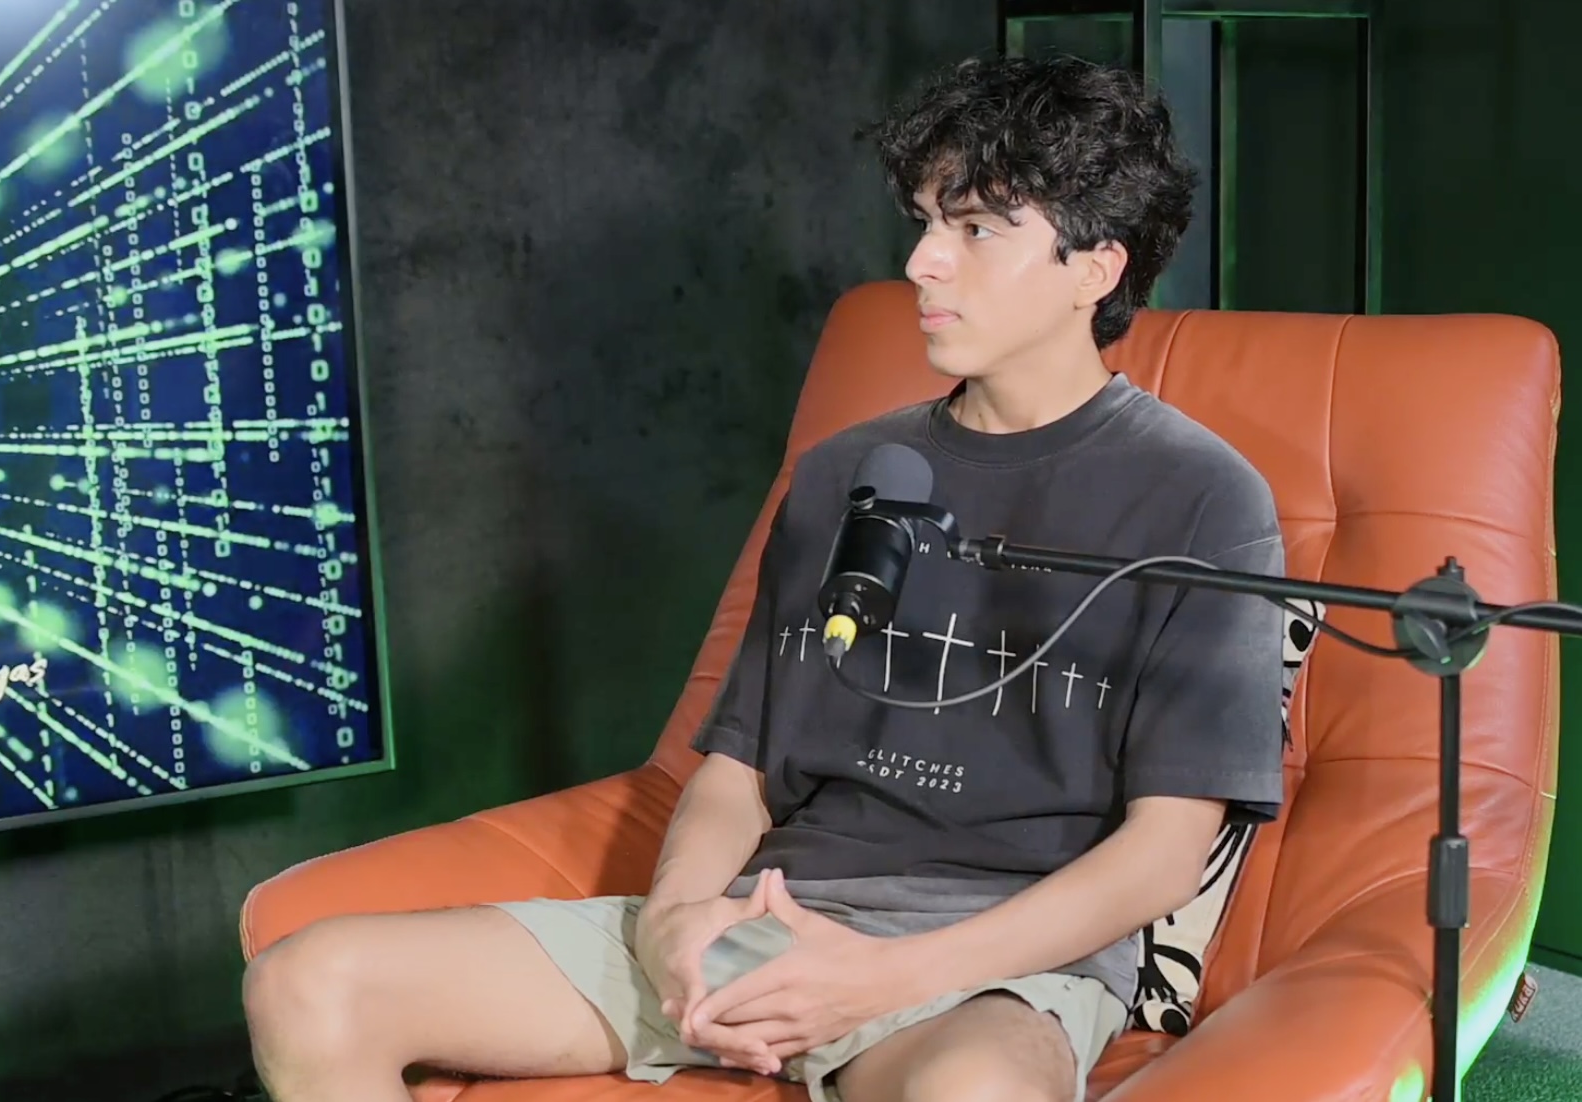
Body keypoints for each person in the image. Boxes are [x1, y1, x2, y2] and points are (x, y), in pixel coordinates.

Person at [242, 52, 1287, 1102]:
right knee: (308, 985)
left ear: (1093, 269)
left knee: (972, 1092)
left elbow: (1164, 852)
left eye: (974, 229)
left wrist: (882, 979)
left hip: (988, 964)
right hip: (767, 922)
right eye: (925, 222)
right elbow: (738, 770)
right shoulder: (850, 472)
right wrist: (675, 925)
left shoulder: (1200, 499)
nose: (922, 262)